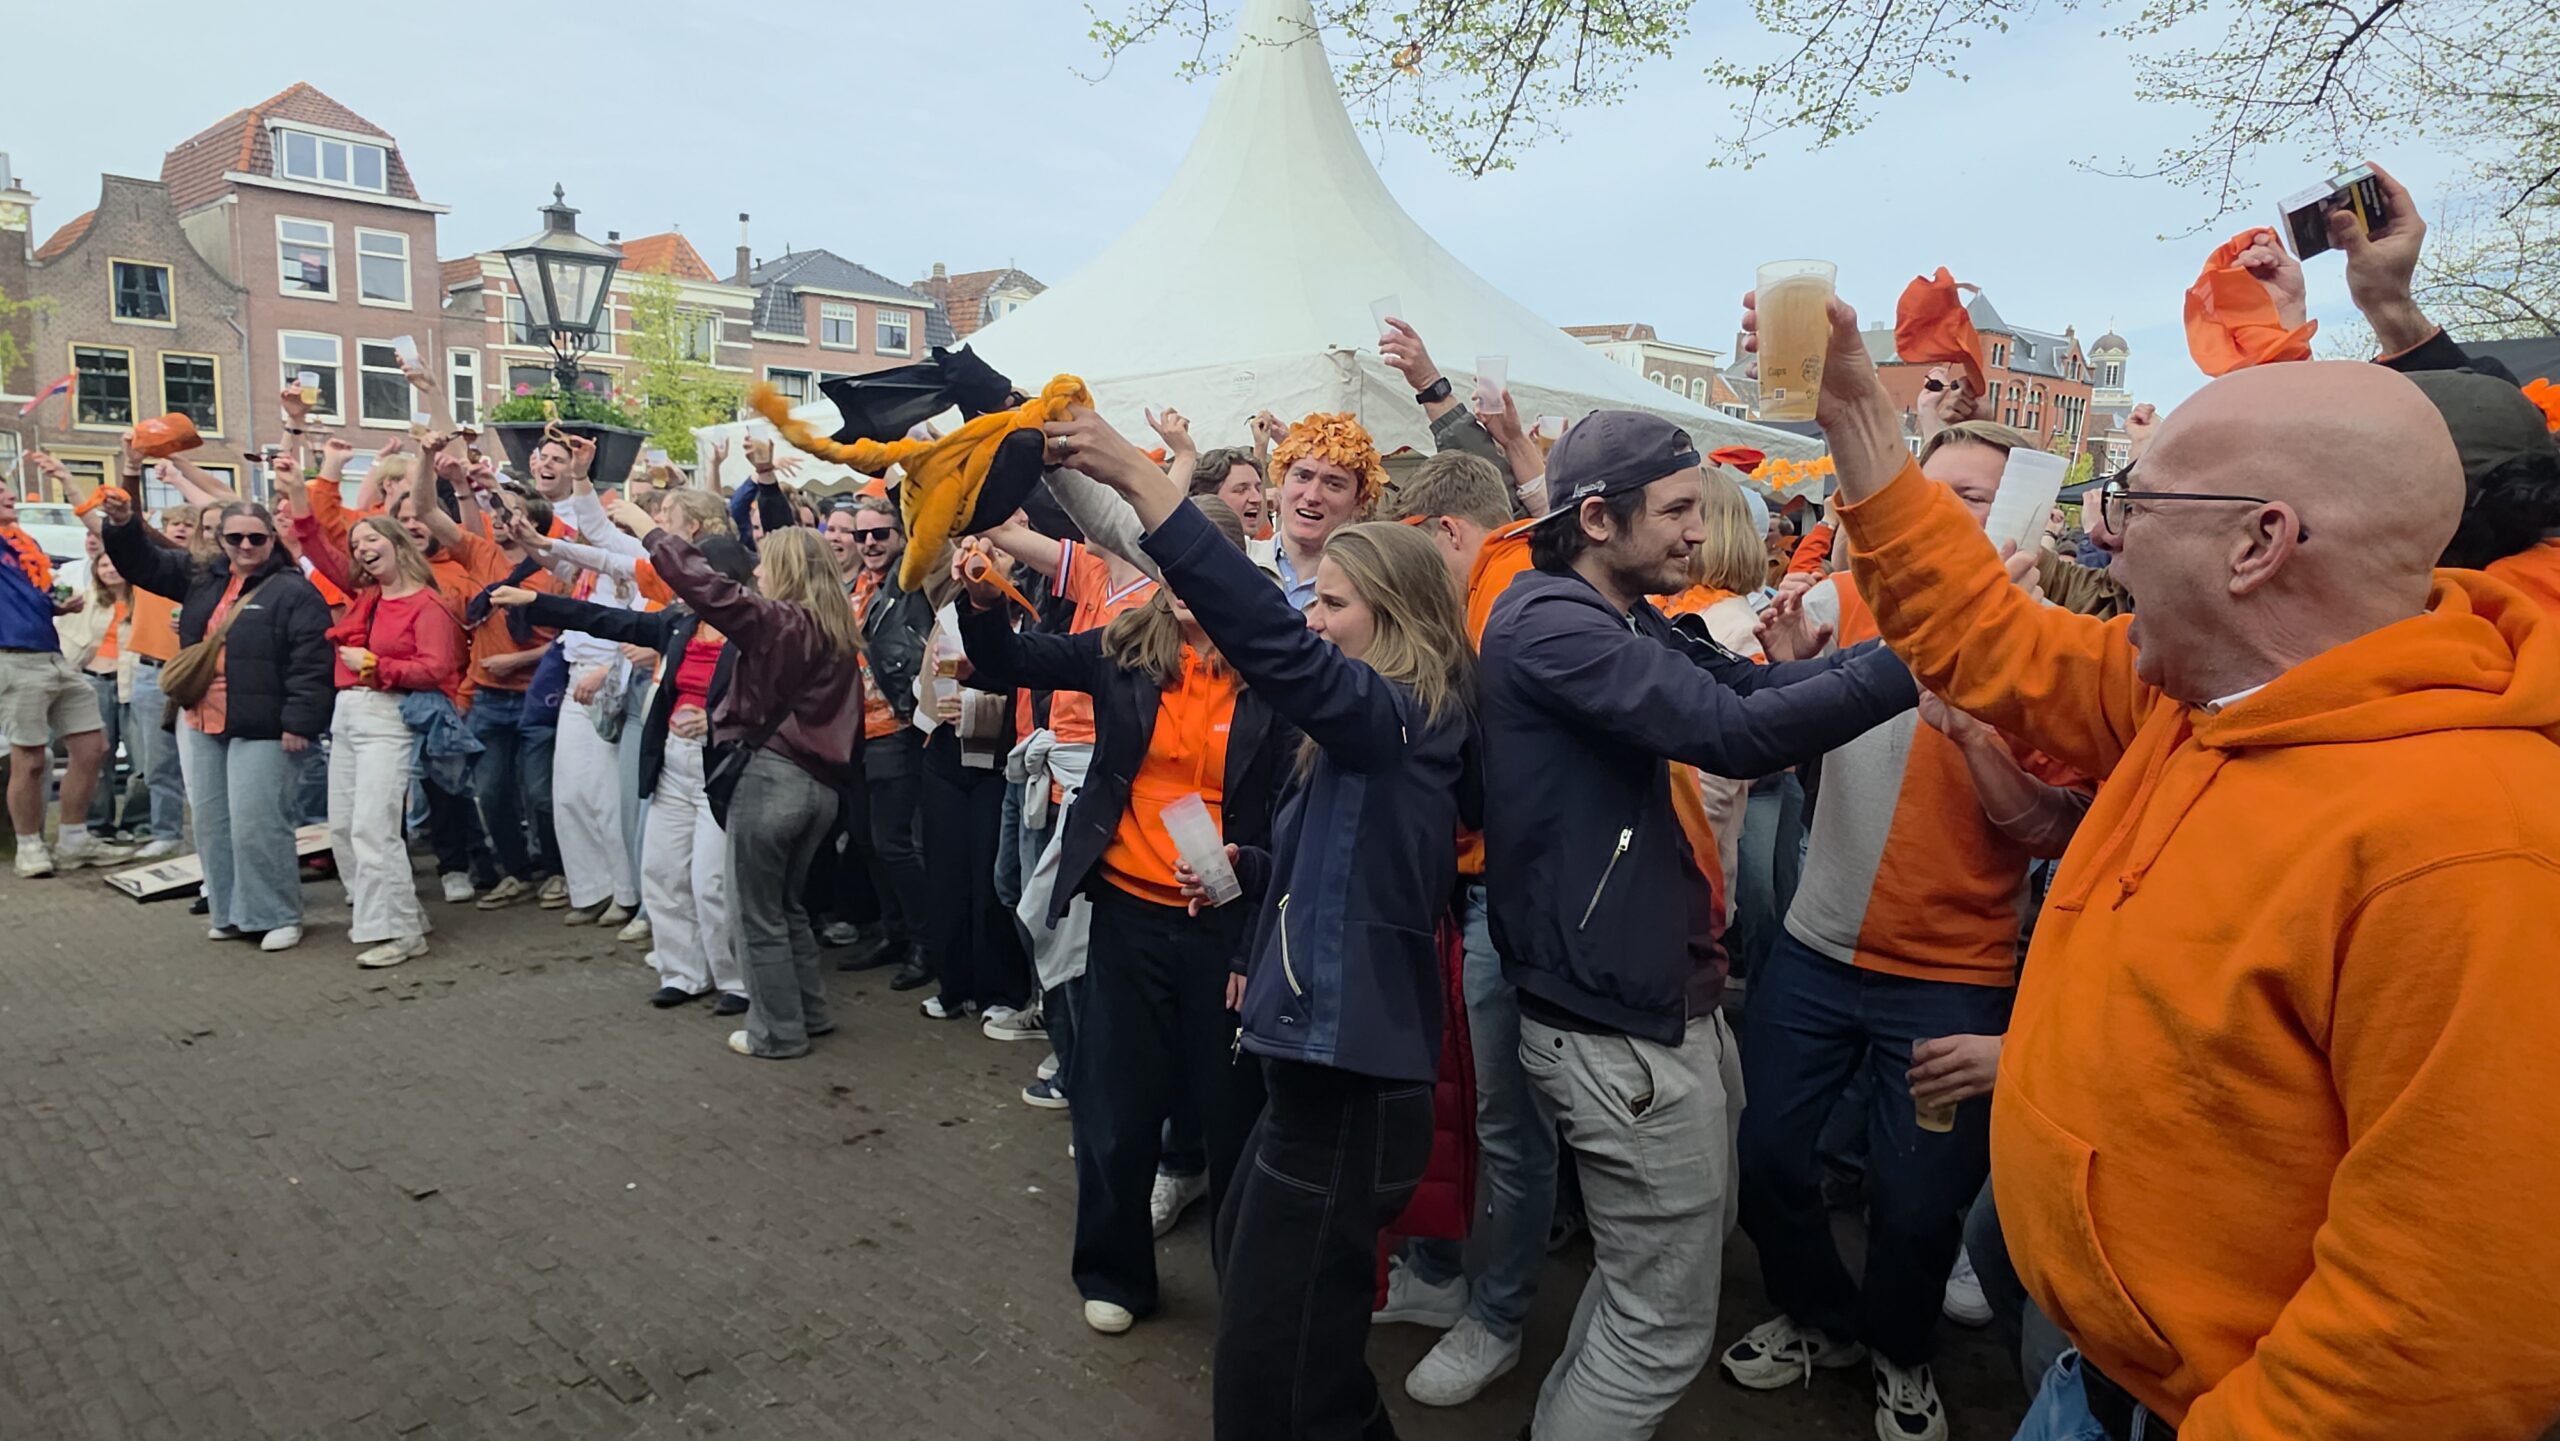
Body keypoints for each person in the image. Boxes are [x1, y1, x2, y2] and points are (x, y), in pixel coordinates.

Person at [1745, 281, 2560, 1439]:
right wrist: (1859, 424)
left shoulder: (2472, 849)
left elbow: (2447, 1330)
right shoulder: (2198, 697)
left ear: (2258, 543)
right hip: (2094, 1378)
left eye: (2136, 501)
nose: (2102, 534)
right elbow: (1982, 637)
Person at [1476, 411, 1922, 1440]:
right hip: (1614, 1015)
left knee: (1658, 1269)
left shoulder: (1621, 613)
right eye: (1679, 509)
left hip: (1653, 993)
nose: (1700, 531)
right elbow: (1734, 729)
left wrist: (1897, 652)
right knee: (1660, 1328)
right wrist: (1930, 653)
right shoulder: (1550, 623)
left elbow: (1753, 685)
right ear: (1597, 518)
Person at [1046, 400, 1478, 1441]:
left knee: (1271, 1374)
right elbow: (1351, 869)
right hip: (1314, 1068)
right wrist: (1255, 867)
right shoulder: (1372, 729)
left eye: (1330, 603)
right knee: (1294, 1356)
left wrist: (1142, 477)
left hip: (1346, 1083)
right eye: (1312, 600)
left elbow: (1265, 634)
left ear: (1396, 614)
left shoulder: (1394, 716)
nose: (1312, 620)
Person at [1719, 418, 2091, 1441]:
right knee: (1769, 1158)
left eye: (1974, 497)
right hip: (1815, 947)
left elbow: (2051, 827)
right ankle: (1819, 1319)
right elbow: (1779, 762)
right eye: (1934, 494)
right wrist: (1791, 675)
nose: (1947, 516)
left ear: (2023, 513)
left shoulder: (2052, 648)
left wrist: (1973, 737)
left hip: (1950, 977)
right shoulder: (1844, 601)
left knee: (1919, 1202)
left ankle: (1899, 1347)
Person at [953, 497, 1290, 1337]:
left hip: (1229, 925)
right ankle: (1113, 1270)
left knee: (1233, 1115)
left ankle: (1249, 1292)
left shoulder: (1279, 667)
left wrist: (1251, 923)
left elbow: (1294, 812)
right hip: (1129, 914)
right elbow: (1006, 660)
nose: (1180, 584)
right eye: (1169, 567)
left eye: (1197, 567)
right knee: (1114, 1104)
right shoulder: (1126, 647)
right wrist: (984, 599)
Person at [613, 496, 861, 1061]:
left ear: (787, 571)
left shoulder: (780, 622)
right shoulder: (837, 629)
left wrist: (649, 530)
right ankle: (809, 1012)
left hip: (772, 780)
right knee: (787, 906)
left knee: (758, 916)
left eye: (765, 564)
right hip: (821, 786)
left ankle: (777, 1033)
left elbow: (707, 589)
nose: (756, 574)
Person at [493, 522, 756, 1016]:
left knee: (712, 881)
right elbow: (608, 620)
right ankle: (683, 972)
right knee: (661, 870)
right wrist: (536, 602)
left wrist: (720, 721)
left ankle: (737, 980)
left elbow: (774, 698)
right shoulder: (678, 622)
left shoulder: (757, 631)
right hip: (672, 763)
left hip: (724, 767)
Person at [99, 486, 332, 947]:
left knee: (258, 822)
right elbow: (141, 563)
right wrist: (122, 524)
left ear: (272, 540)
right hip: (201, 717)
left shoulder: (294, 591)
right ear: (220, 540)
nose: (246, 546)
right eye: (235, 538)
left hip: (265, 723)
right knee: (211, 822)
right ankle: (229, 912)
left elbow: (312, 662)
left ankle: (277, 914)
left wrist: (300, 723)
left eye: (256, 538)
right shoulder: (201, 576)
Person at [301, 511, 464, 968]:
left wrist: (376, 666)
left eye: (371, 539)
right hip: (347, 712)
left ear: (397, 543)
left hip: (387, 714)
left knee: (374, 827)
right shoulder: (368, 595)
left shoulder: (428, 604)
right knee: (343, 826)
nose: (361, 550)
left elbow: (438, 668)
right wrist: (298, 498)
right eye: (356, 544)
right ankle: (394, 913)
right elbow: (317, 548)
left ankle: (399, 930)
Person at [3, 477, 130, 878]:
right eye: (0, 491)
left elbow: (31, 594)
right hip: (13, 658)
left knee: (93, 747)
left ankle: (74, 839)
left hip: (54, 656)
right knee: (30, 758)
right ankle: (29, 846)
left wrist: (57, 606)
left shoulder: (22, 542)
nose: (10, 495)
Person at [845, 497, 934, 979]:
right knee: (867, 840)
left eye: (879, 534)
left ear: (900, 536)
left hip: (895, 729)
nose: (869, 543)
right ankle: (894, 933)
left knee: (894, 843)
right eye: (861, 536)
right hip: (854, 734)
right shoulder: (859, 585)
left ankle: (925, 944)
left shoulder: (909, 582)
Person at [1185, 447, 1269, 539]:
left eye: (1258, 489)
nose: (1257, 498)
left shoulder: (1264, 546)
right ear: (1207, 497)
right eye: (1241, 490)